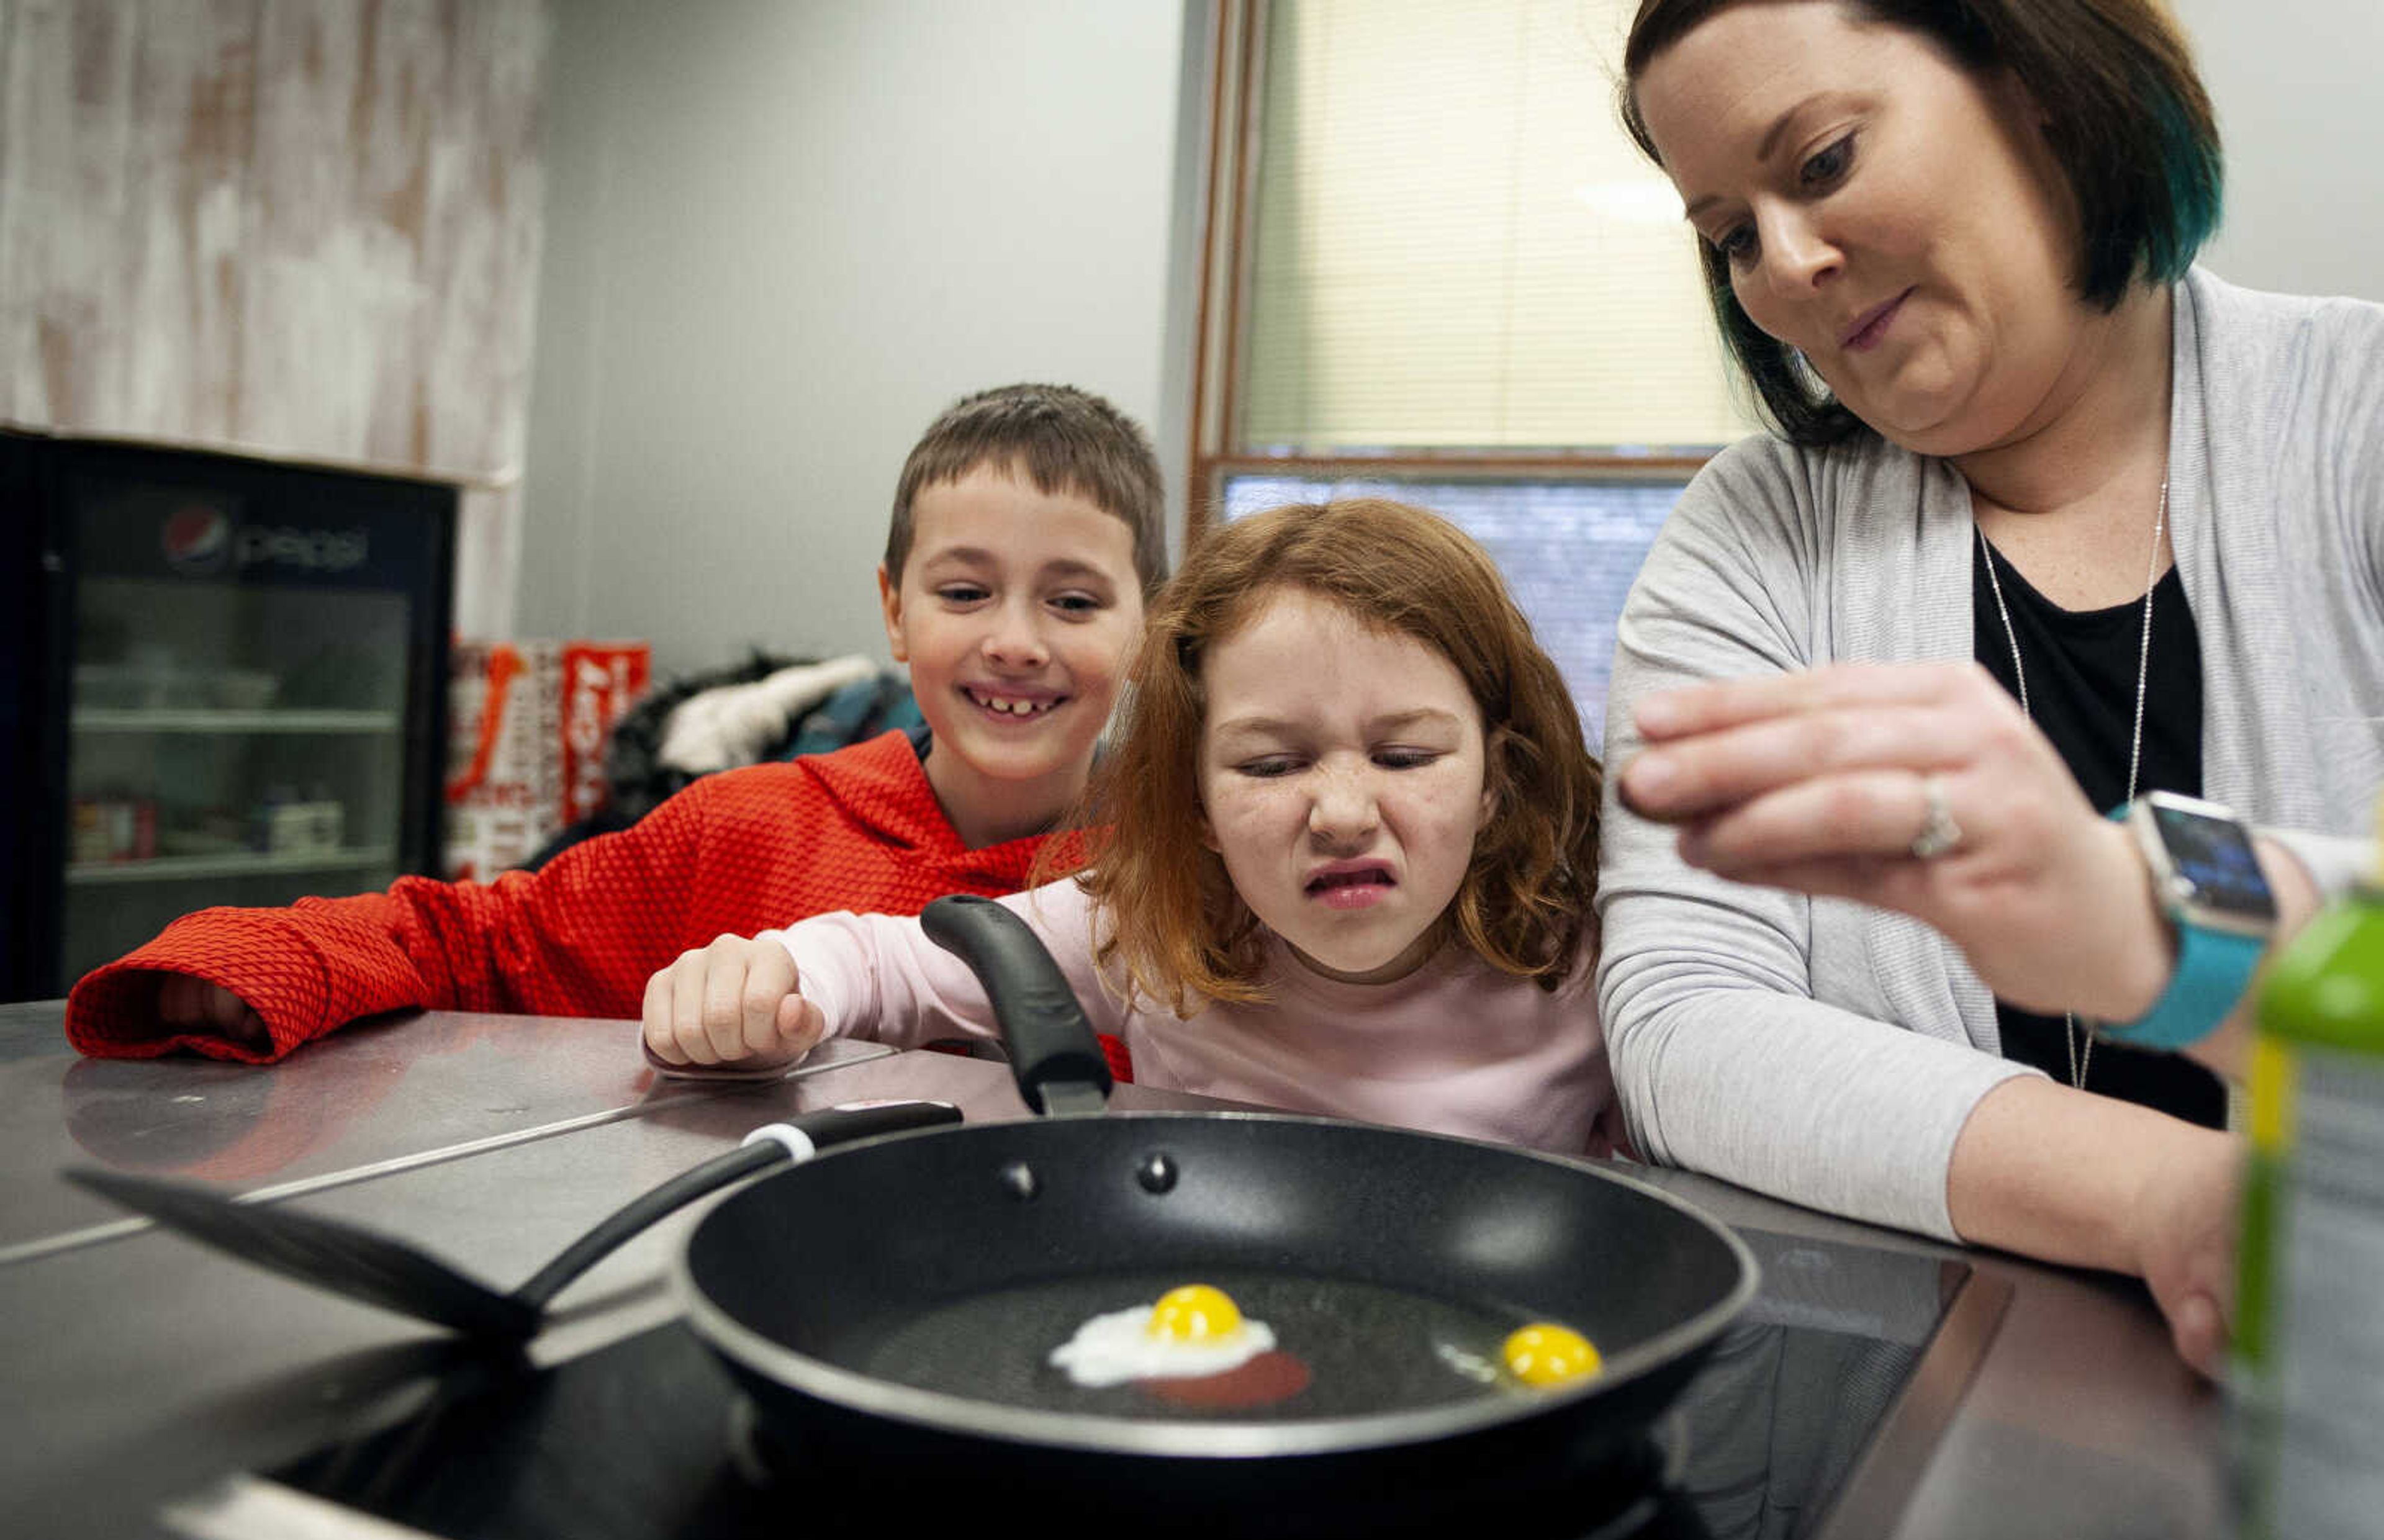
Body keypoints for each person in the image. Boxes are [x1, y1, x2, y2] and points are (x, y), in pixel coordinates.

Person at [1597, 0, 2384, 1374]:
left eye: (1824, 162)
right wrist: (2164, 1198)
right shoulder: (1754, 540)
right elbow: (1685, 1027)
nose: (1781, 272)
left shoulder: (2356, 421)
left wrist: (2138, 901)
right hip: (1950, 1411)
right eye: (1729, 234)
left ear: (2047, 91)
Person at [65, 383, 1167, 1067]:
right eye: (965, 593)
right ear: (893, 608)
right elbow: (477, 944)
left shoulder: (1194, 883)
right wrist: (243, 970)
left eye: (1073, 601)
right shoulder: (744, 831)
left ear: (1148, 625)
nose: (1016, 642)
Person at [641, 498, 1618, 1155]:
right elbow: (882, 962)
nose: (1344, 815)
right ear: (1194, 804)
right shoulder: (1153, 928)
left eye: (1405, 758)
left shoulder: (1600, 952)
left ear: (1497, 779)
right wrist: (768, 986)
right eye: (1271, 766)